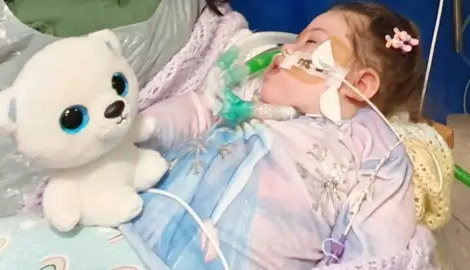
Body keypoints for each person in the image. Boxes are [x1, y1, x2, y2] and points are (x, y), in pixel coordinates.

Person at [126, 2, 427, 269]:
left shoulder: (377, 151)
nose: (286, 49)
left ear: (360, 83)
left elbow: (379, 253)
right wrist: (138, 130)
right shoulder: (249, 96)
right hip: (128, 239)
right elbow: (199, 111)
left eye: (310, 41)